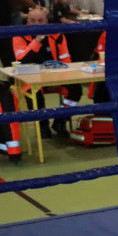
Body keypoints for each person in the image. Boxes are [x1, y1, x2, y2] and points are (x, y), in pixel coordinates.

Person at [13, 7, 82, 139]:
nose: (36, 24)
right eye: (32, 20)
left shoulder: (57, 35)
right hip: (29, 80)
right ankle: (43, 124)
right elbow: (22, 61)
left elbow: (66, 61)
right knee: (35, 96)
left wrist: (60, 80)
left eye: (40, 21)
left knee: (76, 89)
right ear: (27, 21)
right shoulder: (18, 35)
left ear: (46, 21)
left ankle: (60, 120)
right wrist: (37, 41)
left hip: (55, 77)